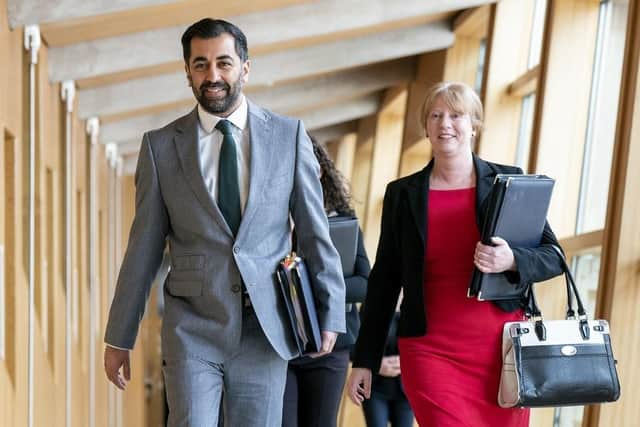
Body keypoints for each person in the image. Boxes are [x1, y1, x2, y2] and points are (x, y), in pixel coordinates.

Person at [103, 18, 346, 427]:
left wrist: (330, 312)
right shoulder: (160, 147)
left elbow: (313, 231)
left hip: (265, 326)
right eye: (200, 65)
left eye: (224, 63)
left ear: (245, 68)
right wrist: (119, 336)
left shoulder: (288, 136)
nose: (212, 75)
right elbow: (143, 248)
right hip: (192, 327)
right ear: (187, 73)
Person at [346, 81, 564, 426]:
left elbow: (554, 256)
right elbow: (384, 281)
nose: (445, 124)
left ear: (474, 125)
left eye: (456, 115)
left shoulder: (507, 182)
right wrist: (365, 360)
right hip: (430, 349)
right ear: (426, 128)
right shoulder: (402, 194)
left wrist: (512, 260)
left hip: (501, 349)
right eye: (436, 115)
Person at [281, 139, 370, 427]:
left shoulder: (342, 223)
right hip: (281, 348)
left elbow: (365, 283)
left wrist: (323, 287)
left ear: (319, 171)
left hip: (331, 349)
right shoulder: (267, 226)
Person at [361, 311, 414, 427]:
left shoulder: (417, 308)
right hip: (374, 389)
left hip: (406, 392)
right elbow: (355, 346)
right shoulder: (371, 306)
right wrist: (375, 364)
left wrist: (408, 362)